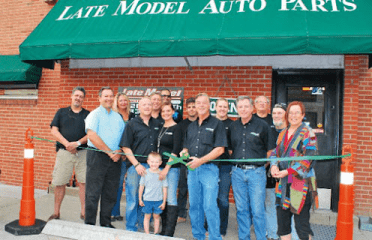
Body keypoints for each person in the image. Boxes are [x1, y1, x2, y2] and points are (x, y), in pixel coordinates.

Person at [228, 96, 276, 240]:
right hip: (237, 173)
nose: (243, 109)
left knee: (257, 210)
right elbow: (230, 150)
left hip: (257, 173)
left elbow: (270, 151)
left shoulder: (263, 126)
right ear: (237, 109)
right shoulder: (233, 127)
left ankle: (261, 237)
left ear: (252, 108)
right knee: (241, 209)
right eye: (240, 107)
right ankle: (244, 237)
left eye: (246, 106)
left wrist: (261, 166)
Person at [181, 93, 227, 240]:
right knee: (195, 206)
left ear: (209, 105)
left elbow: (220, 149)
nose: (200, 105)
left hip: (209, 170)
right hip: (192, 170)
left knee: (209, 206)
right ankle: (198, 236)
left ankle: (215, 237)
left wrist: (201, 161)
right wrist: (184, 152)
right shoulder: (191, 126)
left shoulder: (217, 124)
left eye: (203, 103)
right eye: (197, 103)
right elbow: (186, 147)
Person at [270, 101, 318, 240]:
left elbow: (309, 159)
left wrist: (288, 171)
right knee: (283, 225)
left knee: (302, 226)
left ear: (303, 115)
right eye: (291, 112)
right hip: (283, 184)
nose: (293, 115)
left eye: (297, 112)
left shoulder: (310, 134)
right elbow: (275, 153)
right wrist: (274, 165)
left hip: (300, 184)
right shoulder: (282, 133)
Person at [84, 87, 125, 228]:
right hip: (97, 156)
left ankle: (105, 222)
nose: (108, 98)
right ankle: (89, 224)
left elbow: (122, 138)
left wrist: (119, 151)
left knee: (110, 192)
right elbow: (92, 136)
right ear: (99, 98)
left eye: (111, 96)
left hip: (115, 159)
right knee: (93, 192)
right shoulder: (94, 115)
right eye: (105, 96)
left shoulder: (117, 117)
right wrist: (110, 152)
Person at [120, 96, 162, 232]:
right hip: (135, 167)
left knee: (148, 197)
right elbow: (125, 147)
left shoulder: (158, 124)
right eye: (144, 104)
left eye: (149, 104)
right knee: (133, 199)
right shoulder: (132, 124)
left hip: (153, 168)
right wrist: (137, 165)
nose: (147, 107)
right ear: (138, 107)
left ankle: (142, 224)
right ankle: (131, 227)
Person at [48, 86, 90, 221]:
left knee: (83, 183)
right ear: (71, 96)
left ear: (83, 99)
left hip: (82, 153)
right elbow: (54, 131)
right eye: (76, 95)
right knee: (59, 183)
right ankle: (56, 213)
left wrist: (77, 143)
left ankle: (84, 212)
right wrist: (67, 144)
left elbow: (91, 134)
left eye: (81, 96)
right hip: (64, 153)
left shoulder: (88, 115)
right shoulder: (61, 112)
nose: (78, 98)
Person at [157, 103, 183, 236]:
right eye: (163, 111)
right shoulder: (161, 127)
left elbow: (176, 150)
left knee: (171, 198)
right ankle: (163, 230)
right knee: (162, 198)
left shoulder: (177, 128)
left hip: (171, 169)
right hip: (159, 168)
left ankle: (169, 232)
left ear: (173, 112)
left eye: (168, 111)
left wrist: (167, 168)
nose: (166, 113)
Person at [111, 93, 135, 222]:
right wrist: (121, 151)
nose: (123, 102)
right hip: (118, 155)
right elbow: (115, 135)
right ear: (117, 102)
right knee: (118, 185)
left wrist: (127, 152)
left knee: (132, 186)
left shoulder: (133, 116)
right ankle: (114, 212)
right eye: (121, 100)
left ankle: (133, 214)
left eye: (125, 100)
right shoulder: (114, 116)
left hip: (130, 155)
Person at [265, 103, 287, 240]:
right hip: (270, 173)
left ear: (286, 114)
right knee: (270, 203)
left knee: (286, 205)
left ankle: (286, 233)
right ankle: (272, 233)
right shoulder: (268, 130)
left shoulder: (291, 131)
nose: (276, 116)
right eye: (274, 113)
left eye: (279, 113)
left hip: (287, 175)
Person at [213, 98, 233, 237]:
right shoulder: (210, 122)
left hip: (226, 166)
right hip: (210, 165)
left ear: (228, 108)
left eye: (225, 107)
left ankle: (221, 229)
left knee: (223, 199)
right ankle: (208, 227)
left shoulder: (233, 124)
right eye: (220, 106)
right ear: (215, 107)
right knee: (210, 198)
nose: (222, 109)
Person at [177, 97, 197, 223]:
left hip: (198, 162)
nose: (191, 109)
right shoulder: (182, 125)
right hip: (184, 162)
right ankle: (181, 214)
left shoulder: (201, 123)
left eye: (193, 106)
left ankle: (196, 215)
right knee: (183, 188)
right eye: (189, 107)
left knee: (196, 191)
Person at [139, 152, 168, 235]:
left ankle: (155, 233)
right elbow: (141, 187)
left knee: (156, 217)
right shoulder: (145, 173)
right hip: (147, 199)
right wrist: (140, 199)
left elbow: (165, 188)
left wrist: (164, 201)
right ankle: (147, 233)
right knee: (147, 216)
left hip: (158, 200)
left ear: (160, 163)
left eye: (156, 162)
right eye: (152, 162)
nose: (154, 164)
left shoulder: (162, 174)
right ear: (148, 161)